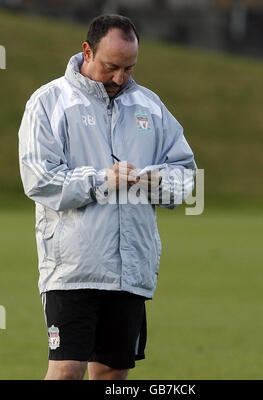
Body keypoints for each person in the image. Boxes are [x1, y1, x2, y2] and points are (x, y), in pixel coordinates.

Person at [18, 14, 196, 380]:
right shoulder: (48, 102)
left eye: (129, 68)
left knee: (112, 375)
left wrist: (153, 181)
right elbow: (40, 180)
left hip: (130, 271)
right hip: (72, 270)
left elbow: (187, 175)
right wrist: (104, 180)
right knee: (66, 370)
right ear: (87, 50)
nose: (120, 78)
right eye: (111, 67)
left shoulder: (150, 106)